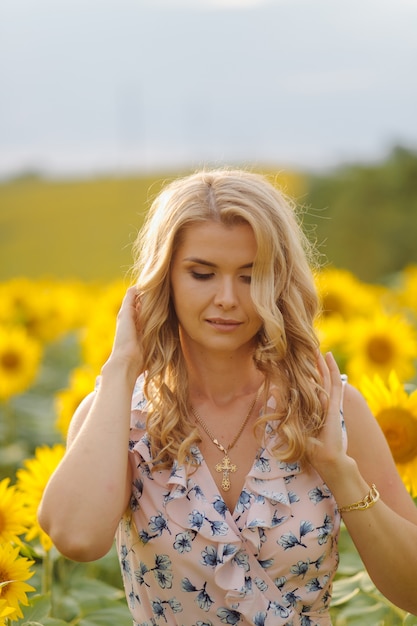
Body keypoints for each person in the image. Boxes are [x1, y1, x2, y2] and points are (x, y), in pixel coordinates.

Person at [38, 169, 417, 626]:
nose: (227, 299)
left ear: (278, 282)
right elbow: (77, 539)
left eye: (250, 276)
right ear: (166, 279)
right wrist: (121, 368)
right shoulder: (122, 415)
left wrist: (341, 472)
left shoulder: (329, 407)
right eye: (202, 273)